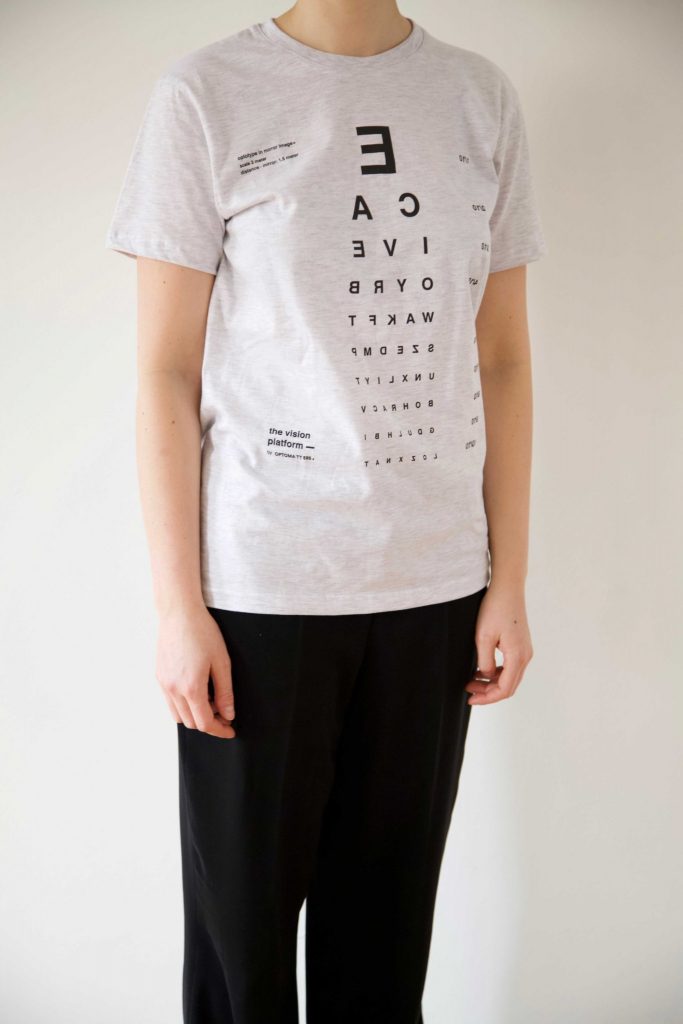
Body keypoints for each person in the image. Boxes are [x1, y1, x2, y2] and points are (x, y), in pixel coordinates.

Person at [105, 2, 547, 1021]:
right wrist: (178, 609)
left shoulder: (477, 97)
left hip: (434, 588)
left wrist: (508, 580)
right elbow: (165, 371)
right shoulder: (206, 94)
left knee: (382, 962)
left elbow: (503, 358)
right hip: (261, 594)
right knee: (243, 965)